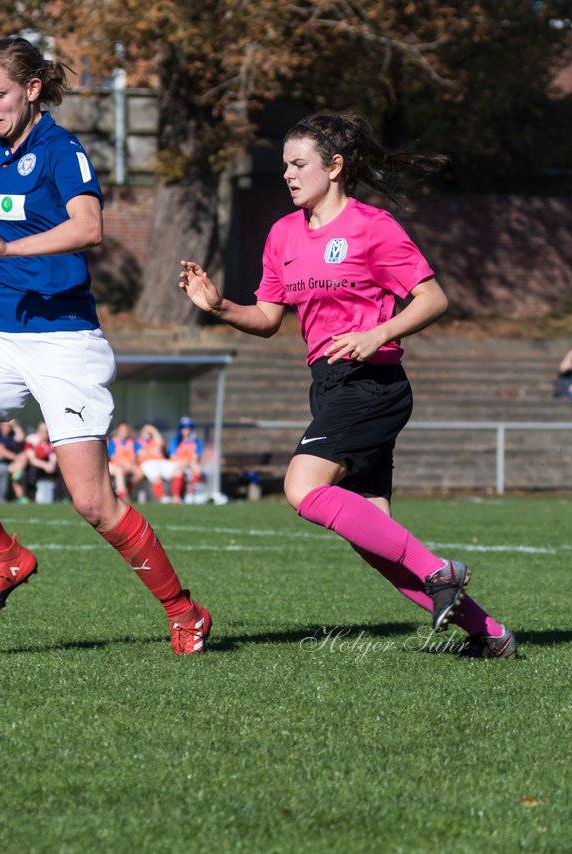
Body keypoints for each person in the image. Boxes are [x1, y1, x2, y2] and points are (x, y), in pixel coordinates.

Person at [0, 36, 211, 654]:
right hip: (6, 336)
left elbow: (89, 227)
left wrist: (10, 248)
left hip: (66, 342)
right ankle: (4, 555)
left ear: (31, 90)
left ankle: (184, 611)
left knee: (93, 504)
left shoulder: (63, 149)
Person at [177, 110, 515, 659]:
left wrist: (375, 333)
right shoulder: (283, 234)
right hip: (329, 385)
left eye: (299, 163)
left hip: (373, 382)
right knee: (375, 538)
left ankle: (441, 571)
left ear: (334, 167)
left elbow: (433, 299)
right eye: (284, 164)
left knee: (302, 488)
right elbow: (267, 319)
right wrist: (219, 306)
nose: (287, 174)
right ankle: (491, 635)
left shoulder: (373, 226)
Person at [136, 422, 181, 504]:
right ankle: (162, 498)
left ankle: (176, 497)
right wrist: (152, 451)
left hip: (161, 461)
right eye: (146, 431)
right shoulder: (137, 442)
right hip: (147, 462)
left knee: (178, 472)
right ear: (141, 432)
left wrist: (153, 430)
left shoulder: (154, 440)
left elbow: (160, 444)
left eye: (149, 431)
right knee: (156, 477)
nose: (148, 433)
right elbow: (141, 453)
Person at [168, 416, 205, 502]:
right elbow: (172, 457)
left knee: (197, 469)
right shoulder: (175, 441)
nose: (186, 430)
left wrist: (187, 463)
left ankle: (191, 493)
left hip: (190, 463)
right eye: (183, 428)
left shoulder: (196, 441)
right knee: (178, 472)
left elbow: (195, 457)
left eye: (188, 428)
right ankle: (176, 497)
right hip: (178, 464)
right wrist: (183, 463)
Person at [106, 421, 143, 501]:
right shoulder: (113, 442)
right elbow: (112, 457)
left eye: (126, 429)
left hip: (130, 464)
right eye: (122, 430)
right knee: (120, 471)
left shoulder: (133, 442)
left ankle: (128, 489)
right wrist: (123, 464)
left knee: (139, 474)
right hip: (117, 465)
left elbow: (138, 455)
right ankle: (122, 493)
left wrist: (132, 464)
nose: (125, 432)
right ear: (118, 431)